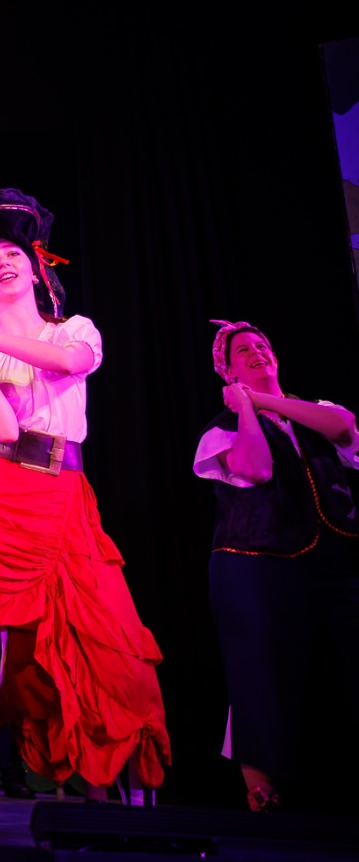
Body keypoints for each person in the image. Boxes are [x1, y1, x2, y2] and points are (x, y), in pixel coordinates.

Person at [0, 188, 169, 841]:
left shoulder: (73, 330)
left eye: (11, 254)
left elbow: (67, 364)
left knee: (110, 658)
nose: (0, 264)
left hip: (61, 498)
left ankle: (129, 817)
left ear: (36, 268)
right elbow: (2, 427)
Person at [194, 320, 359, 811]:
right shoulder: (220, 430)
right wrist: (246, 409)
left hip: (334, 553)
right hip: (255, 561)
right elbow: (257, 468)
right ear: (227, 370)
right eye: (243, 350)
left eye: (262, 344)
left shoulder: (315, 410)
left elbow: (344, 427)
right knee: (259, 669)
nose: (257, 352)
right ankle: (261, 792)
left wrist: (262, 399)